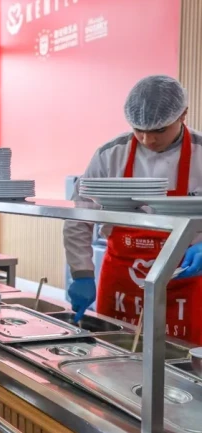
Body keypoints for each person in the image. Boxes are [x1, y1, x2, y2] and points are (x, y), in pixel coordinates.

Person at [64, 75, 202, 344]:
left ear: (183, 115)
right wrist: (81, 273)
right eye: (139, 129)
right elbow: (79, 217)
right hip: (121, 280)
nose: (148, 139)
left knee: (183, 361)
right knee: (114, 354)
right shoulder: (110, 154)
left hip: (187, 281)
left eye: (159, 130)